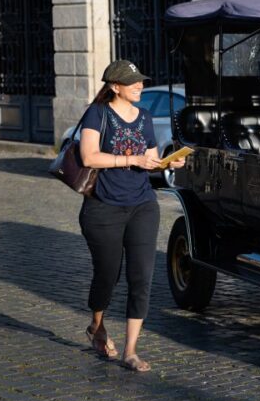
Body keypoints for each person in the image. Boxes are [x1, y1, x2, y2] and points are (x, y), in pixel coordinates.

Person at [78, 59, 185, 372]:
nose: (140, 85)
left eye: (140, 80)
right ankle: (96, 326)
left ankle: (131, 350)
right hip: (103, 207)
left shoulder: (145, 116)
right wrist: (130, 159)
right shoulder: (97, 113)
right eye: (132, 82)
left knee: (141, 277)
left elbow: (149, 158)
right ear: (114, 87)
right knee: (107, 275)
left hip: (142, 205)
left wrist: (166, 163)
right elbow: (88, 156)